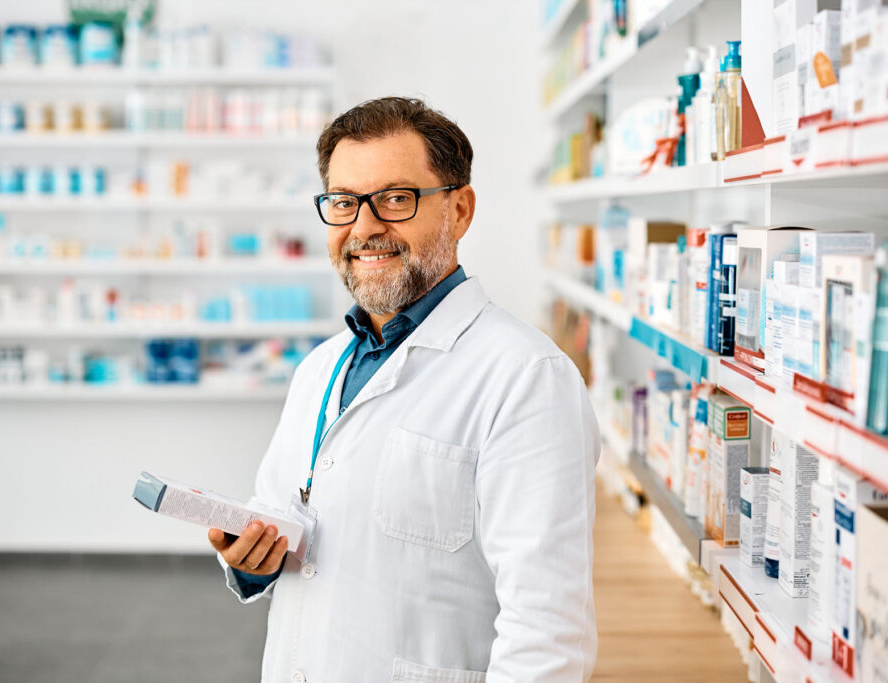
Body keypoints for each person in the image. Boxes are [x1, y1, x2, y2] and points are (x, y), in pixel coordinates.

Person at [209, 96, 599, 682]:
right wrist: (253, 559)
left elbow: (546, 630)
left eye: (395, 198)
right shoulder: (319, 368)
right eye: (344, 202)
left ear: (459, 210)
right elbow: (283, 511)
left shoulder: (526, 376)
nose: (365, 228)